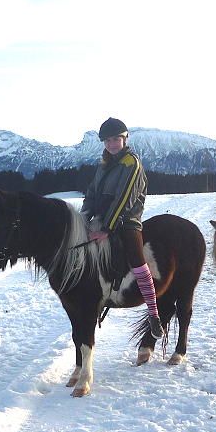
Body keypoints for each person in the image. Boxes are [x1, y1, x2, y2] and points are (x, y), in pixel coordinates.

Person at [80, 117, 164, 339]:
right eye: (107, 140)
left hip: (127, 222)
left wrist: (107, 229)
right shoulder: (104, 164)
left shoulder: (131, 163)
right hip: (101, 218)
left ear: (125, 138)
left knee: (137, 261)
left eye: (116, 139)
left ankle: (154, 313)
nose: (112, 144)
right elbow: (91, 193)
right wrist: (83, 217)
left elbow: (124, 198)